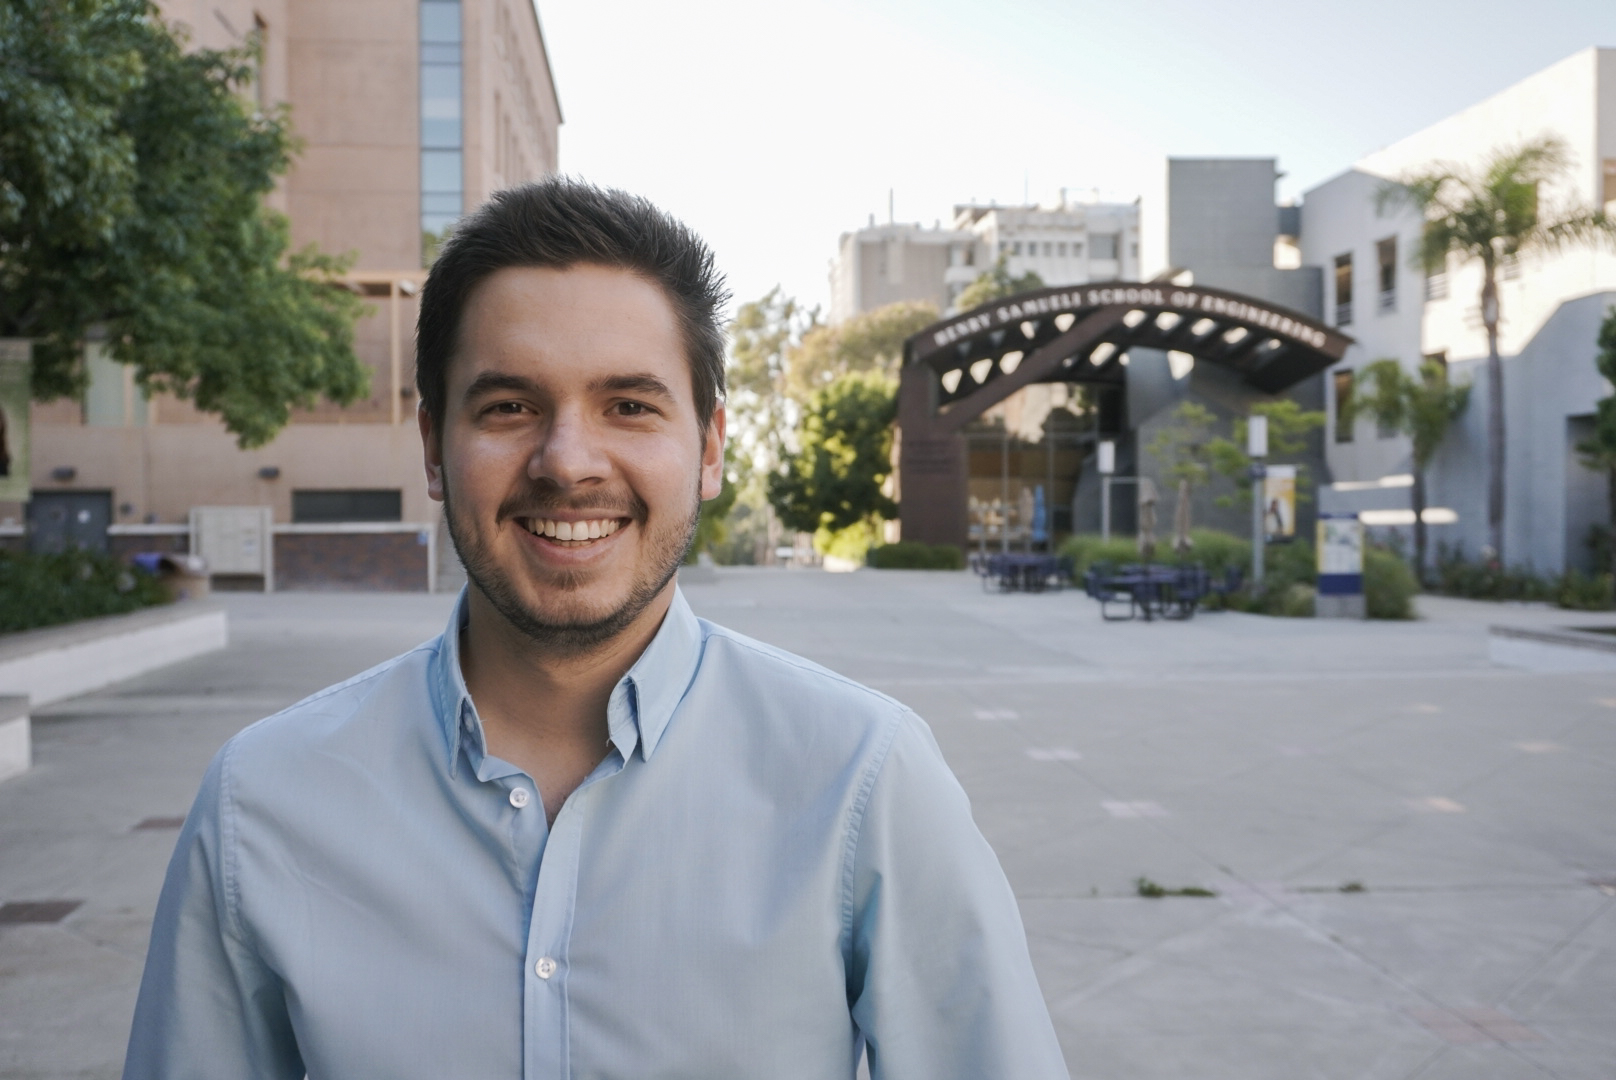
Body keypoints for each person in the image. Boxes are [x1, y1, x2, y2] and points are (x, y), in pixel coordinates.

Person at [123, 179, 1069, 1080]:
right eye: (509, 407)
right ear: (432, 449)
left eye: (628, 406)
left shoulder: (865, 781)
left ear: (708, 450)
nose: (567, 462)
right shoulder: (263, 804)